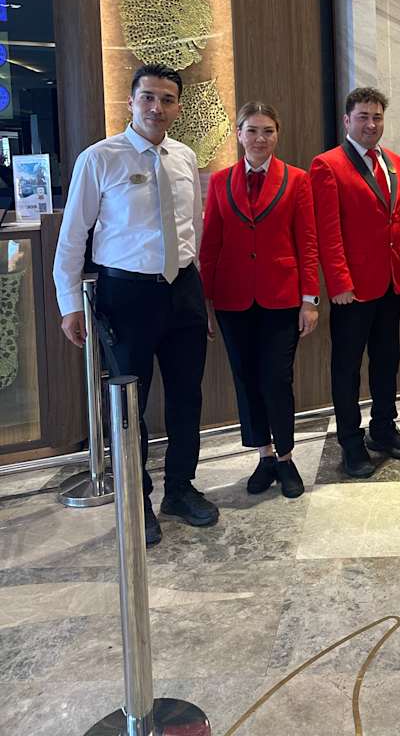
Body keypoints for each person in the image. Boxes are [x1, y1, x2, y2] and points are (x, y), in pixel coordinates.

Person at [53, 63, 218, 547]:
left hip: (183, 290)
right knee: (130, 404)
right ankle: (136, 497)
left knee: (187, 396)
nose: (156, 107)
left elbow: (193, 229)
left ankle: (180, 488)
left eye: (167, 99)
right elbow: (73, 237)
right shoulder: (99, 158)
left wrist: (201, 298)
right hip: (126, 295)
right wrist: (69, 303)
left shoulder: (184, 157)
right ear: (130, 102)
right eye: (148, 97)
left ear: (178, 107)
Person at [199, 102, 319, 499]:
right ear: (239, 135)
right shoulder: (220, 182)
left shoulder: (297, 180)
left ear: (277, 134)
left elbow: (307, 242)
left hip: (281, 297)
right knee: (246, 377)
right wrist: (206, 302)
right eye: (252, 130)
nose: (260, 138)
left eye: (268, 130)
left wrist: (309, 300)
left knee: (277, 378)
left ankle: (285, 457)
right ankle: (264, 455)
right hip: (232, 300)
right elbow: (210, 246)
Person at [310, 87, 400, 478]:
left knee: (387, 360)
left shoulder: (393, 161)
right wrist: (339, 282)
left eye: (377, 117)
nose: (371, 124)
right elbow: (328, 232)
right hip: (351, 289)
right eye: (363, 117)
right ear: (347, 120)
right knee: (347, 367)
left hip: (390, 282)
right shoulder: (327, 165)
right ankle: (351, 443)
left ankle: (383, 428)